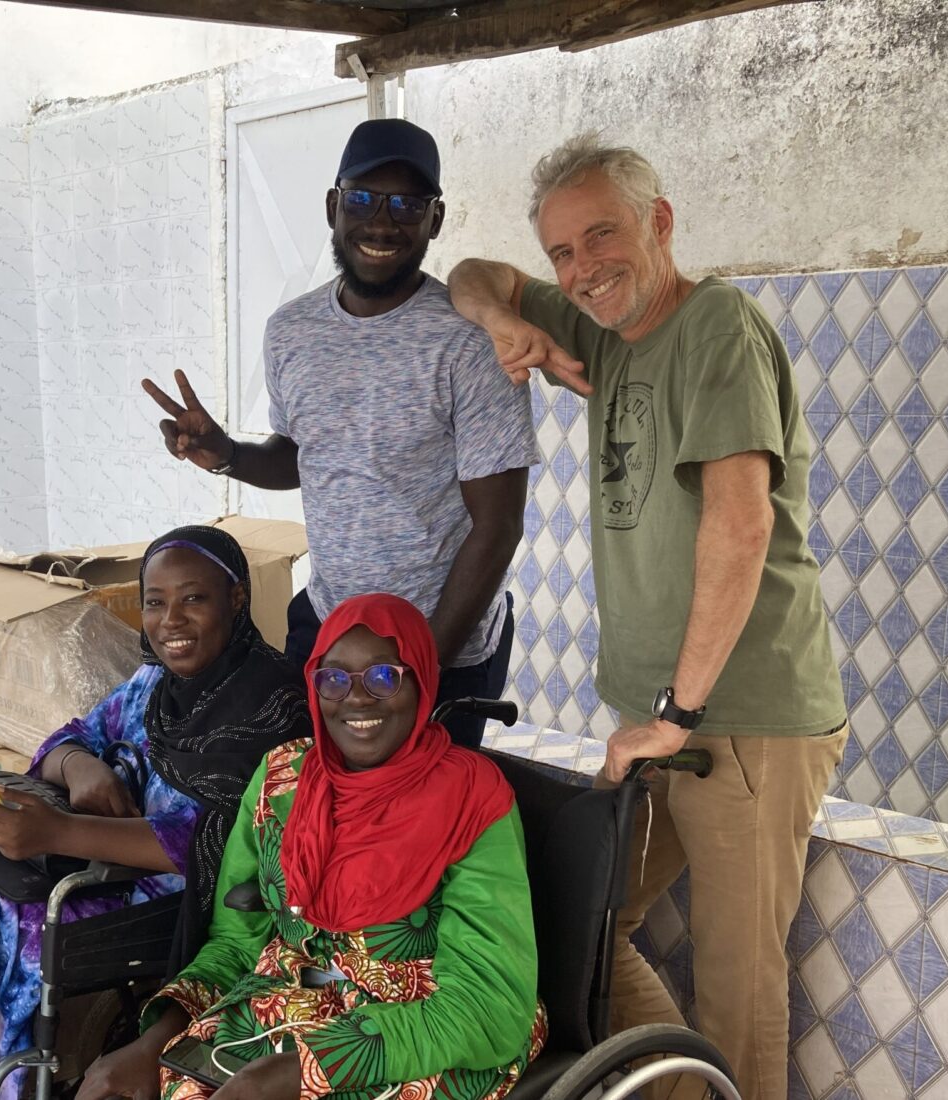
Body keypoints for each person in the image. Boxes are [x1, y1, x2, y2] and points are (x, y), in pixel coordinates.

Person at [447, 133, 847, 1100]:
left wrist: (678, 710)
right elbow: (467, 272)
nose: (582, 270)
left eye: (602, 237)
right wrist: (505, 319)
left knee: (739, 988)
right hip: (664, 722)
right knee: (583, 917)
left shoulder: (715, 328)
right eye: (562, 255)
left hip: (738, 719)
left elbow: (742, 526)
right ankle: (676, 1087)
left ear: (660, 224)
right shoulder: (602, 329)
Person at [0, 527, 312, 1100]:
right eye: (155, 601)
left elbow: (220, 838)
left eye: (193, 598)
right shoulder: (151, 685)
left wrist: (61, 830)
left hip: (169, 902)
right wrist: (81, 768)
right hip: (93, 871)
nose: (171, 619)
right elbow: (68, 739)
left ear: (237, 598)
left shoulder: (274, 705)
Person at [142, 119, 538, 747]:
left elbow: (498, 523)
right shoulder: (291, 332)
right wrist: (228, 456)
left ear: (434, 220)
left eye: (408, 204)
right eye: (363, 198)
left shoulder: (469, 340)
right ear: (333, 206)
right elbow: (300, 458)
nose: (383, 222)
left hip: (444, 643)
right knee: (317, 804)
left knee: (424, 827)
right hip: (330, 622)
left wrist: (421, 665)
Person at [80, 593, 544, 1100]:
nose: (358, 698)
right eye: (335, 679)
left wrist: (297, 1071)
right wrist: (153, 1042)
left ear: (421, 682)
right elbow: (238, 944)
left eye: (384, 676)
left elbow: (486, 1005)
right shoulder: (282, 780)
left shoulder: (471, 798)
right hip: (289, 1005)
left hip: (425, 1034)